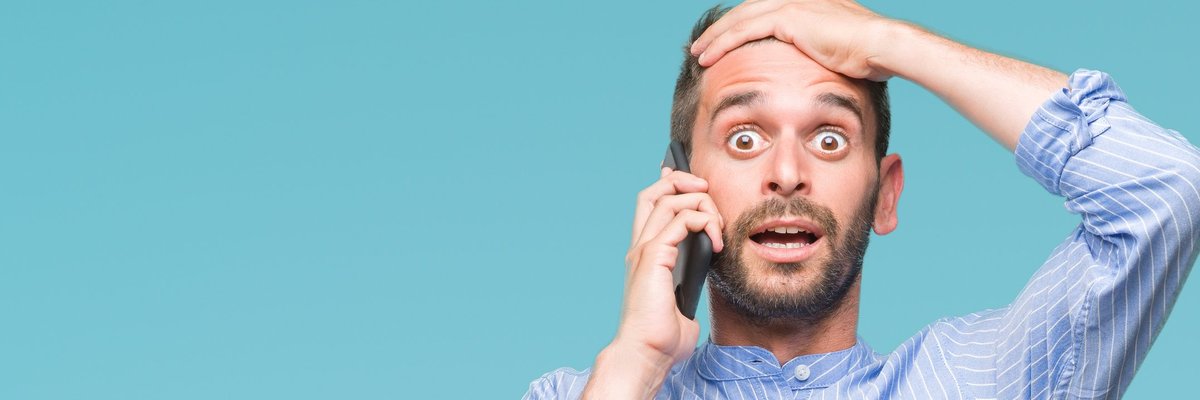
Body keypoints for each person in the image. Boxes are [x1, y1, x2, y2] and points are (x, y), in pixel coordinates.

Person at [525, 1, 1200, 398]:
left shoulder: (984, 381)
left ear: (885, 193)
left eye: (828, 138)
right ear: (678, 187)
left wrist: (889, 42)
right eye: (744, 138)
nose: (786, 173)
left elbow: (1165, 187)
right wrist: (634, 364)